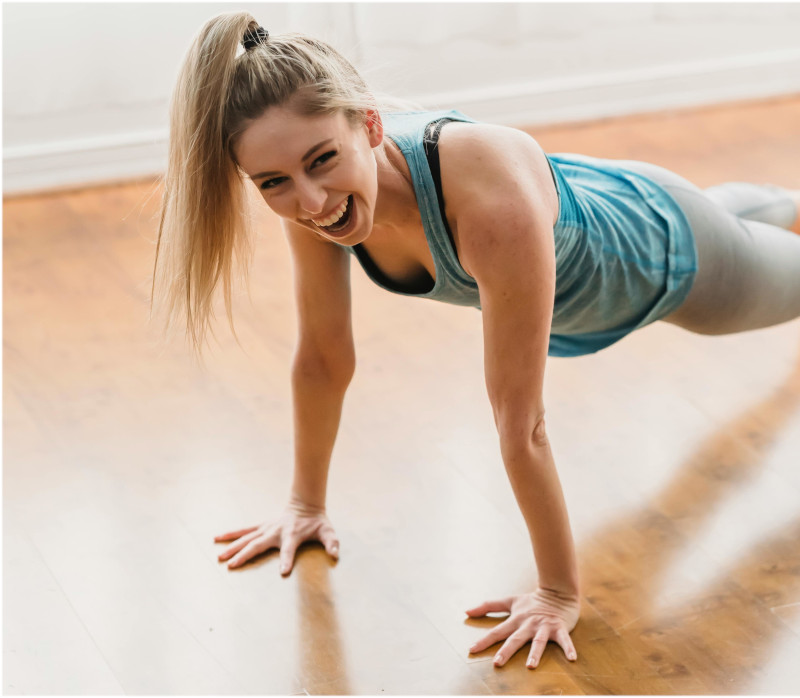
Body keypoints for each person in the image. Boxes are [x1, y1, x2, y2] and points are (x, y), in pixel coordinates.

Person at [150, 11, 800, 671]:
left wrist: (556, 593)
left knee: (766, 261)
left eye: (323, 161)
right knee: (753, 215)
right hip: (618, 201)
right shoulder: (316, 194)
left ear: (368, 124)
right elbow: (322, 358)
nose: (311, 200)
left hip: (666, 262)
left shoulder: (488, 205)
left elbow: (522, 425)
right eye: (274, 184)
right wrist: (304, 505)